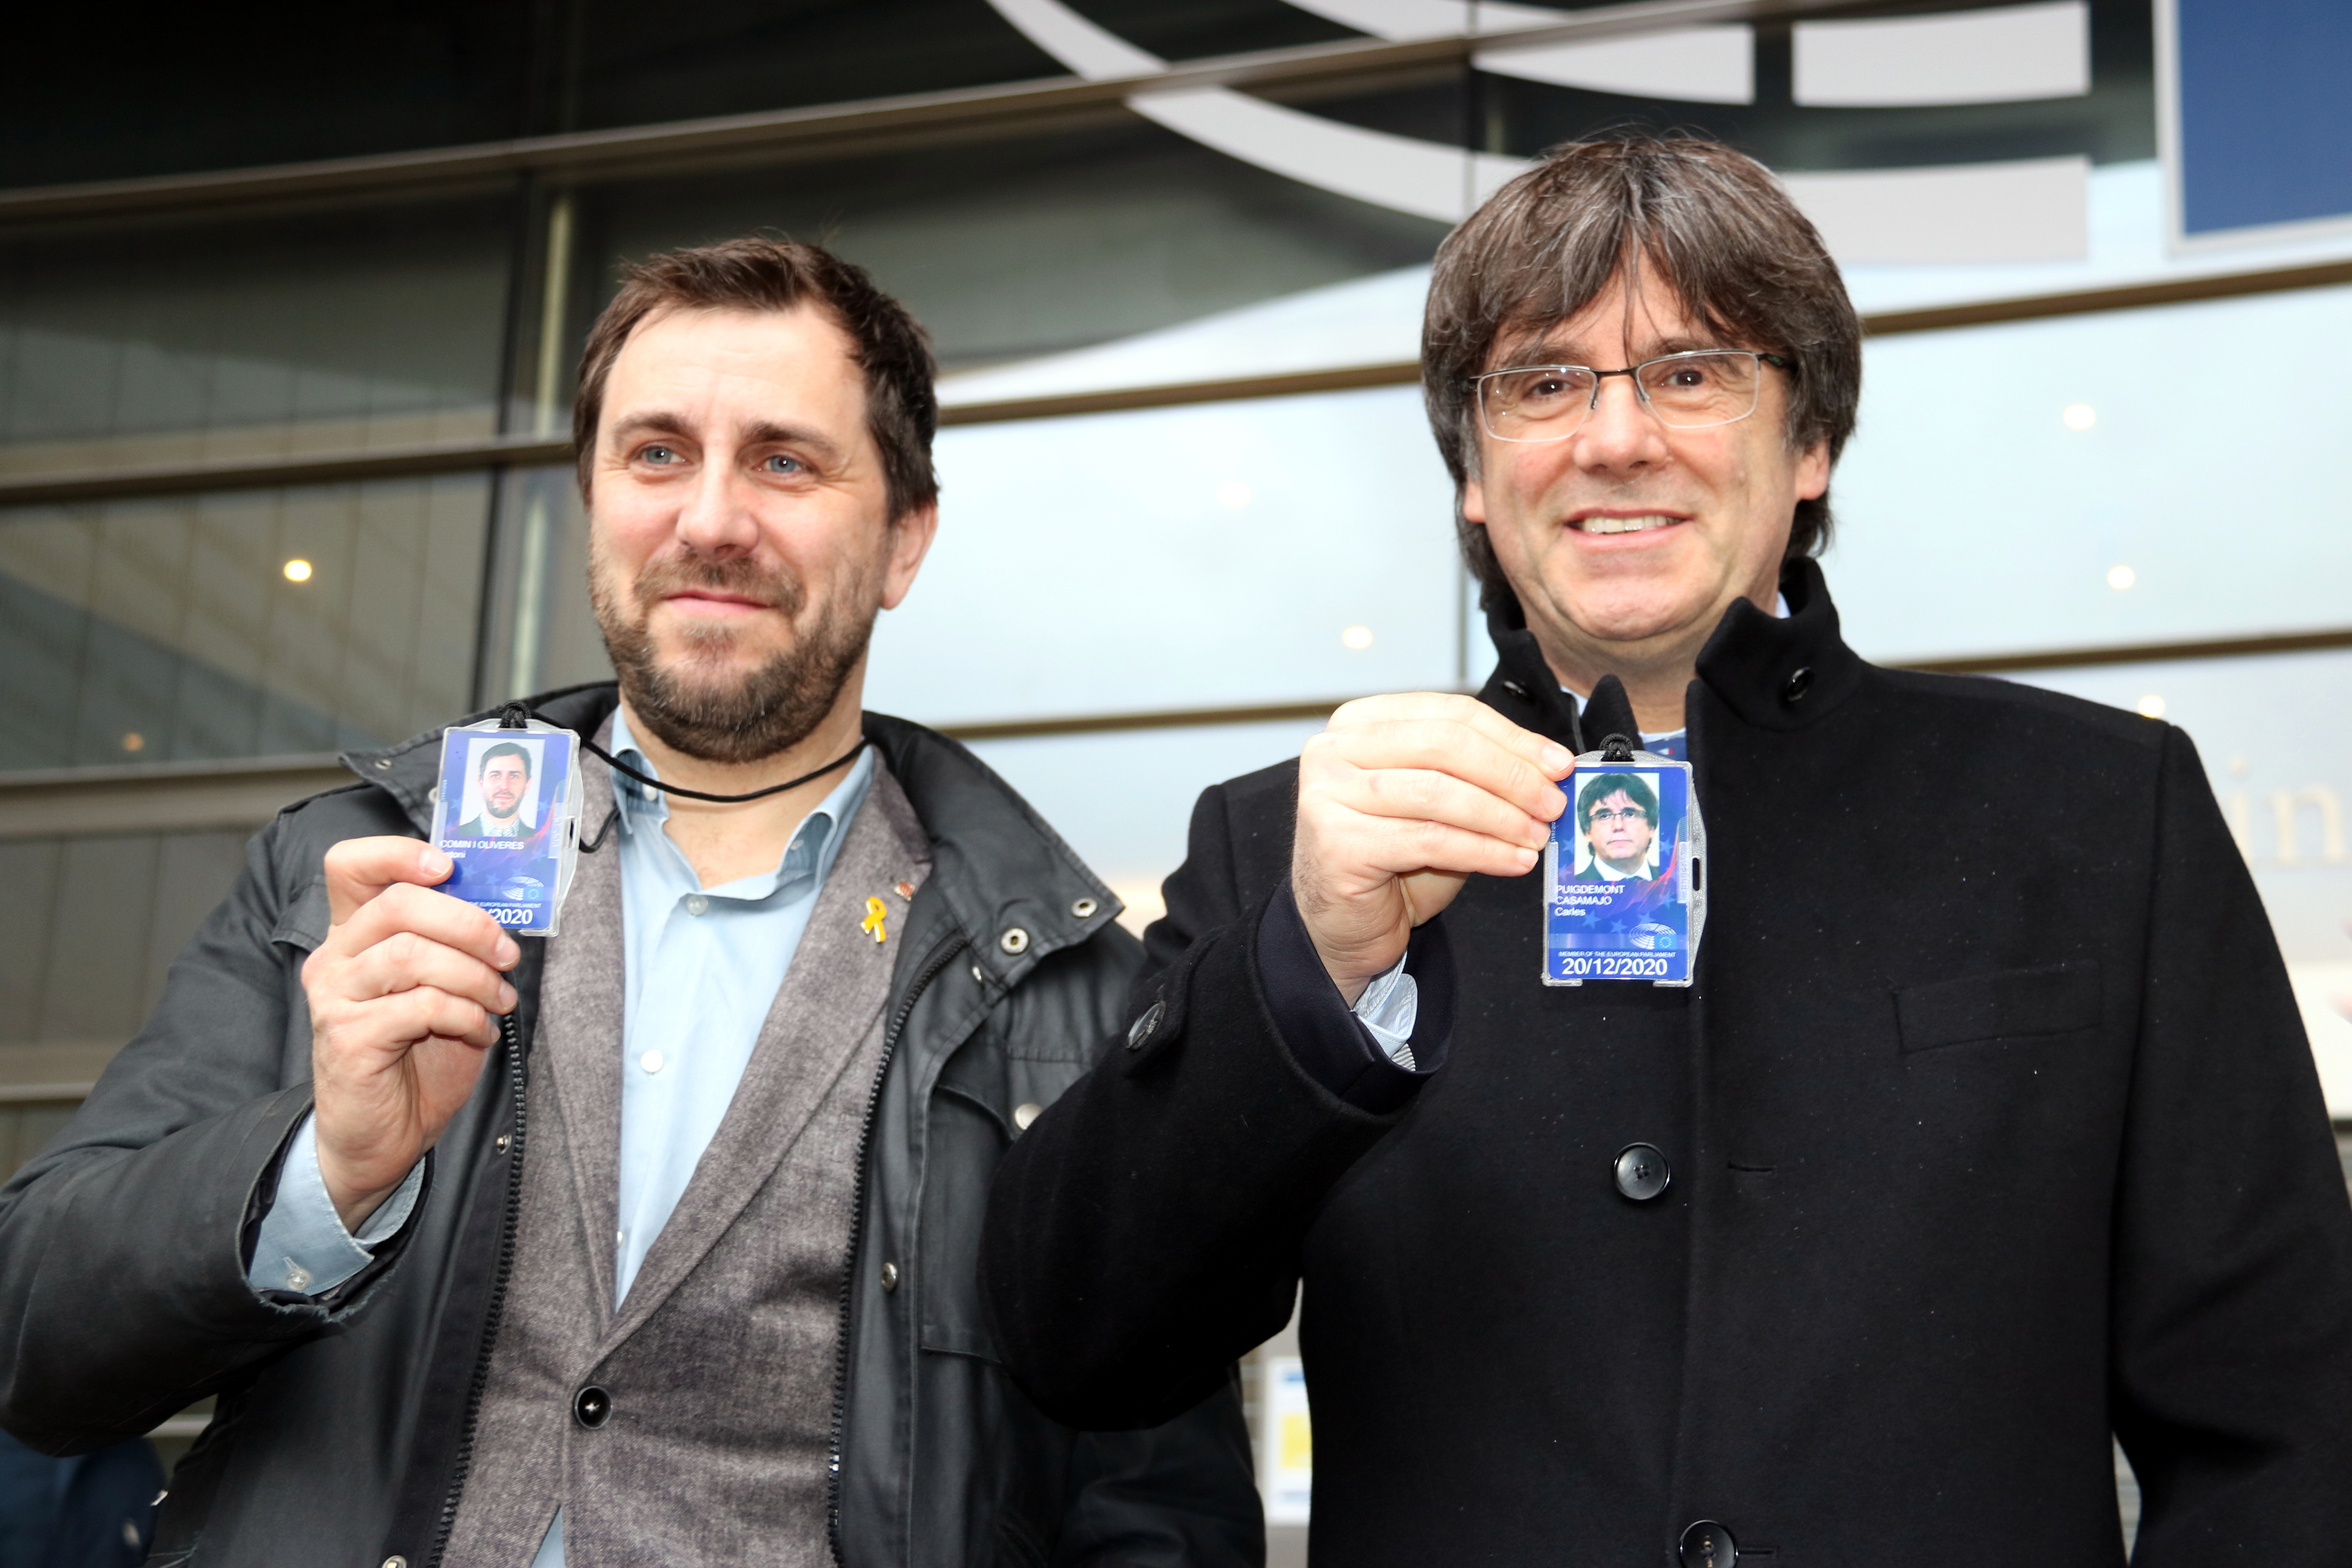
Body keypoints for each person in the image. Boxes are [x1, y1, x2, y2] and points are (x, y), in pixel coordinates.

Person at [980, 137, 2352, 1565]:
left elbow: (2284, 1423)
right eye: (1544, 383)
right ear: (1473, 469)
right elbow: (1081, 1346)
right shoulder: (1293, 847)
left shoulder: (2094, 811)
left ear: (1808, 442)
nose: (1616, 437)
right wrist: (1307, 970)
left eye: (1691, 372)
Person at [0, 238, 1258, 1568]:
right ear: (591, 506)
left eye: (784, 459)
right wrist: (323, 1170)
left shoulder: (1069, 992)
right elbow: (38, 1344)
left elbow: (1156, 1508)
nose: (710, 517)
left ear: (903, 539)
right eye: (656, 453)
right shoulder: (354, 874)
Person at [1571, 772, 1657, 882]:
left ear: (1652, 827)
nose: (1618, 826)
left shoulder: (1674, 882)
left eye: (1630, 814)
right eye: (1604, 816)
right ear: (1588, 831)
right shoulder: (1570, 889)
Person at [453, 741, 537, 839]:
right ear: (481, 784)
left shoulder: (541, 840)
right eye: (495, 776)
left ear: (527, 785)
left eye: (514, 776)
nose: (504, 786)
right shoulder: (452, 835)